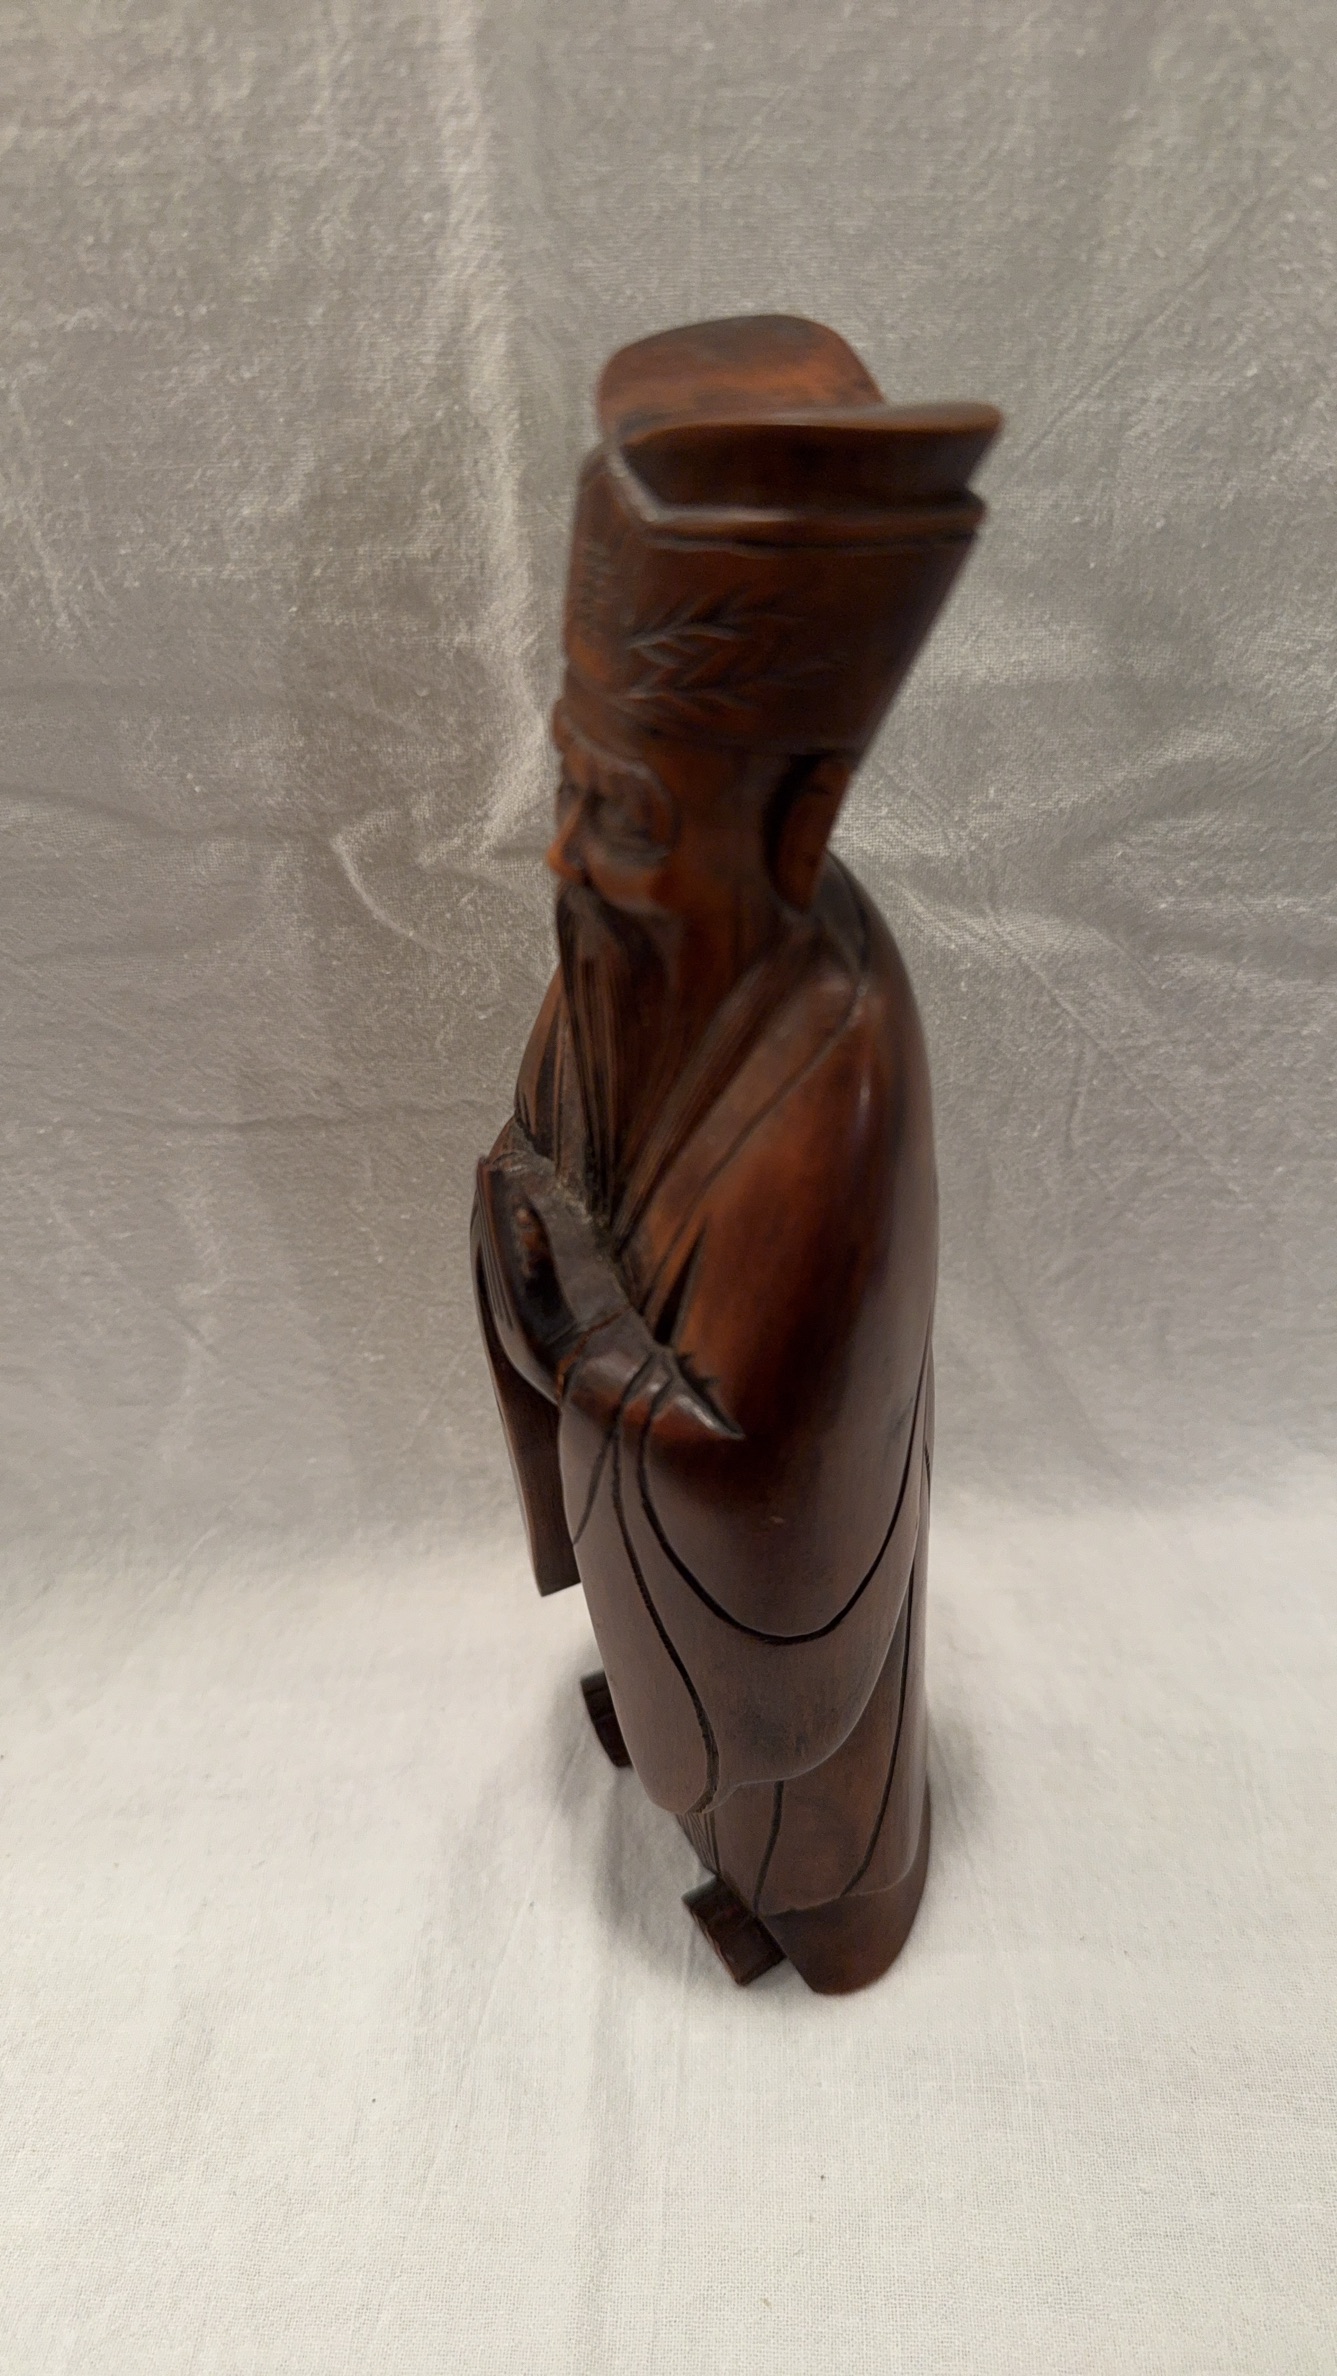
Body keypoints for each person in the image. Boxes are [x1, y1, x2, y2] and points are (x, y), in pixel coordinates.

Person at [473, 315, 998, 1991]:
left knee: (805, 1840)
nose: (564, 851)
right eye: (571, 782)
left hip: (769, 1653)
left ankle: (810, 1908)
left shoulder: (838, 1060)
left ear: (787, 822)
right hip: (664, 1588)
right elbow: (539, 1150)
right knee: (683, 1703)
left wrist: (572, 1329)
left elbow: (776, 1464)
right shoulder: (620, 965)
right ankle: (673, 1749)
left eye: (621, 813)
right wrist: (519, 1218)